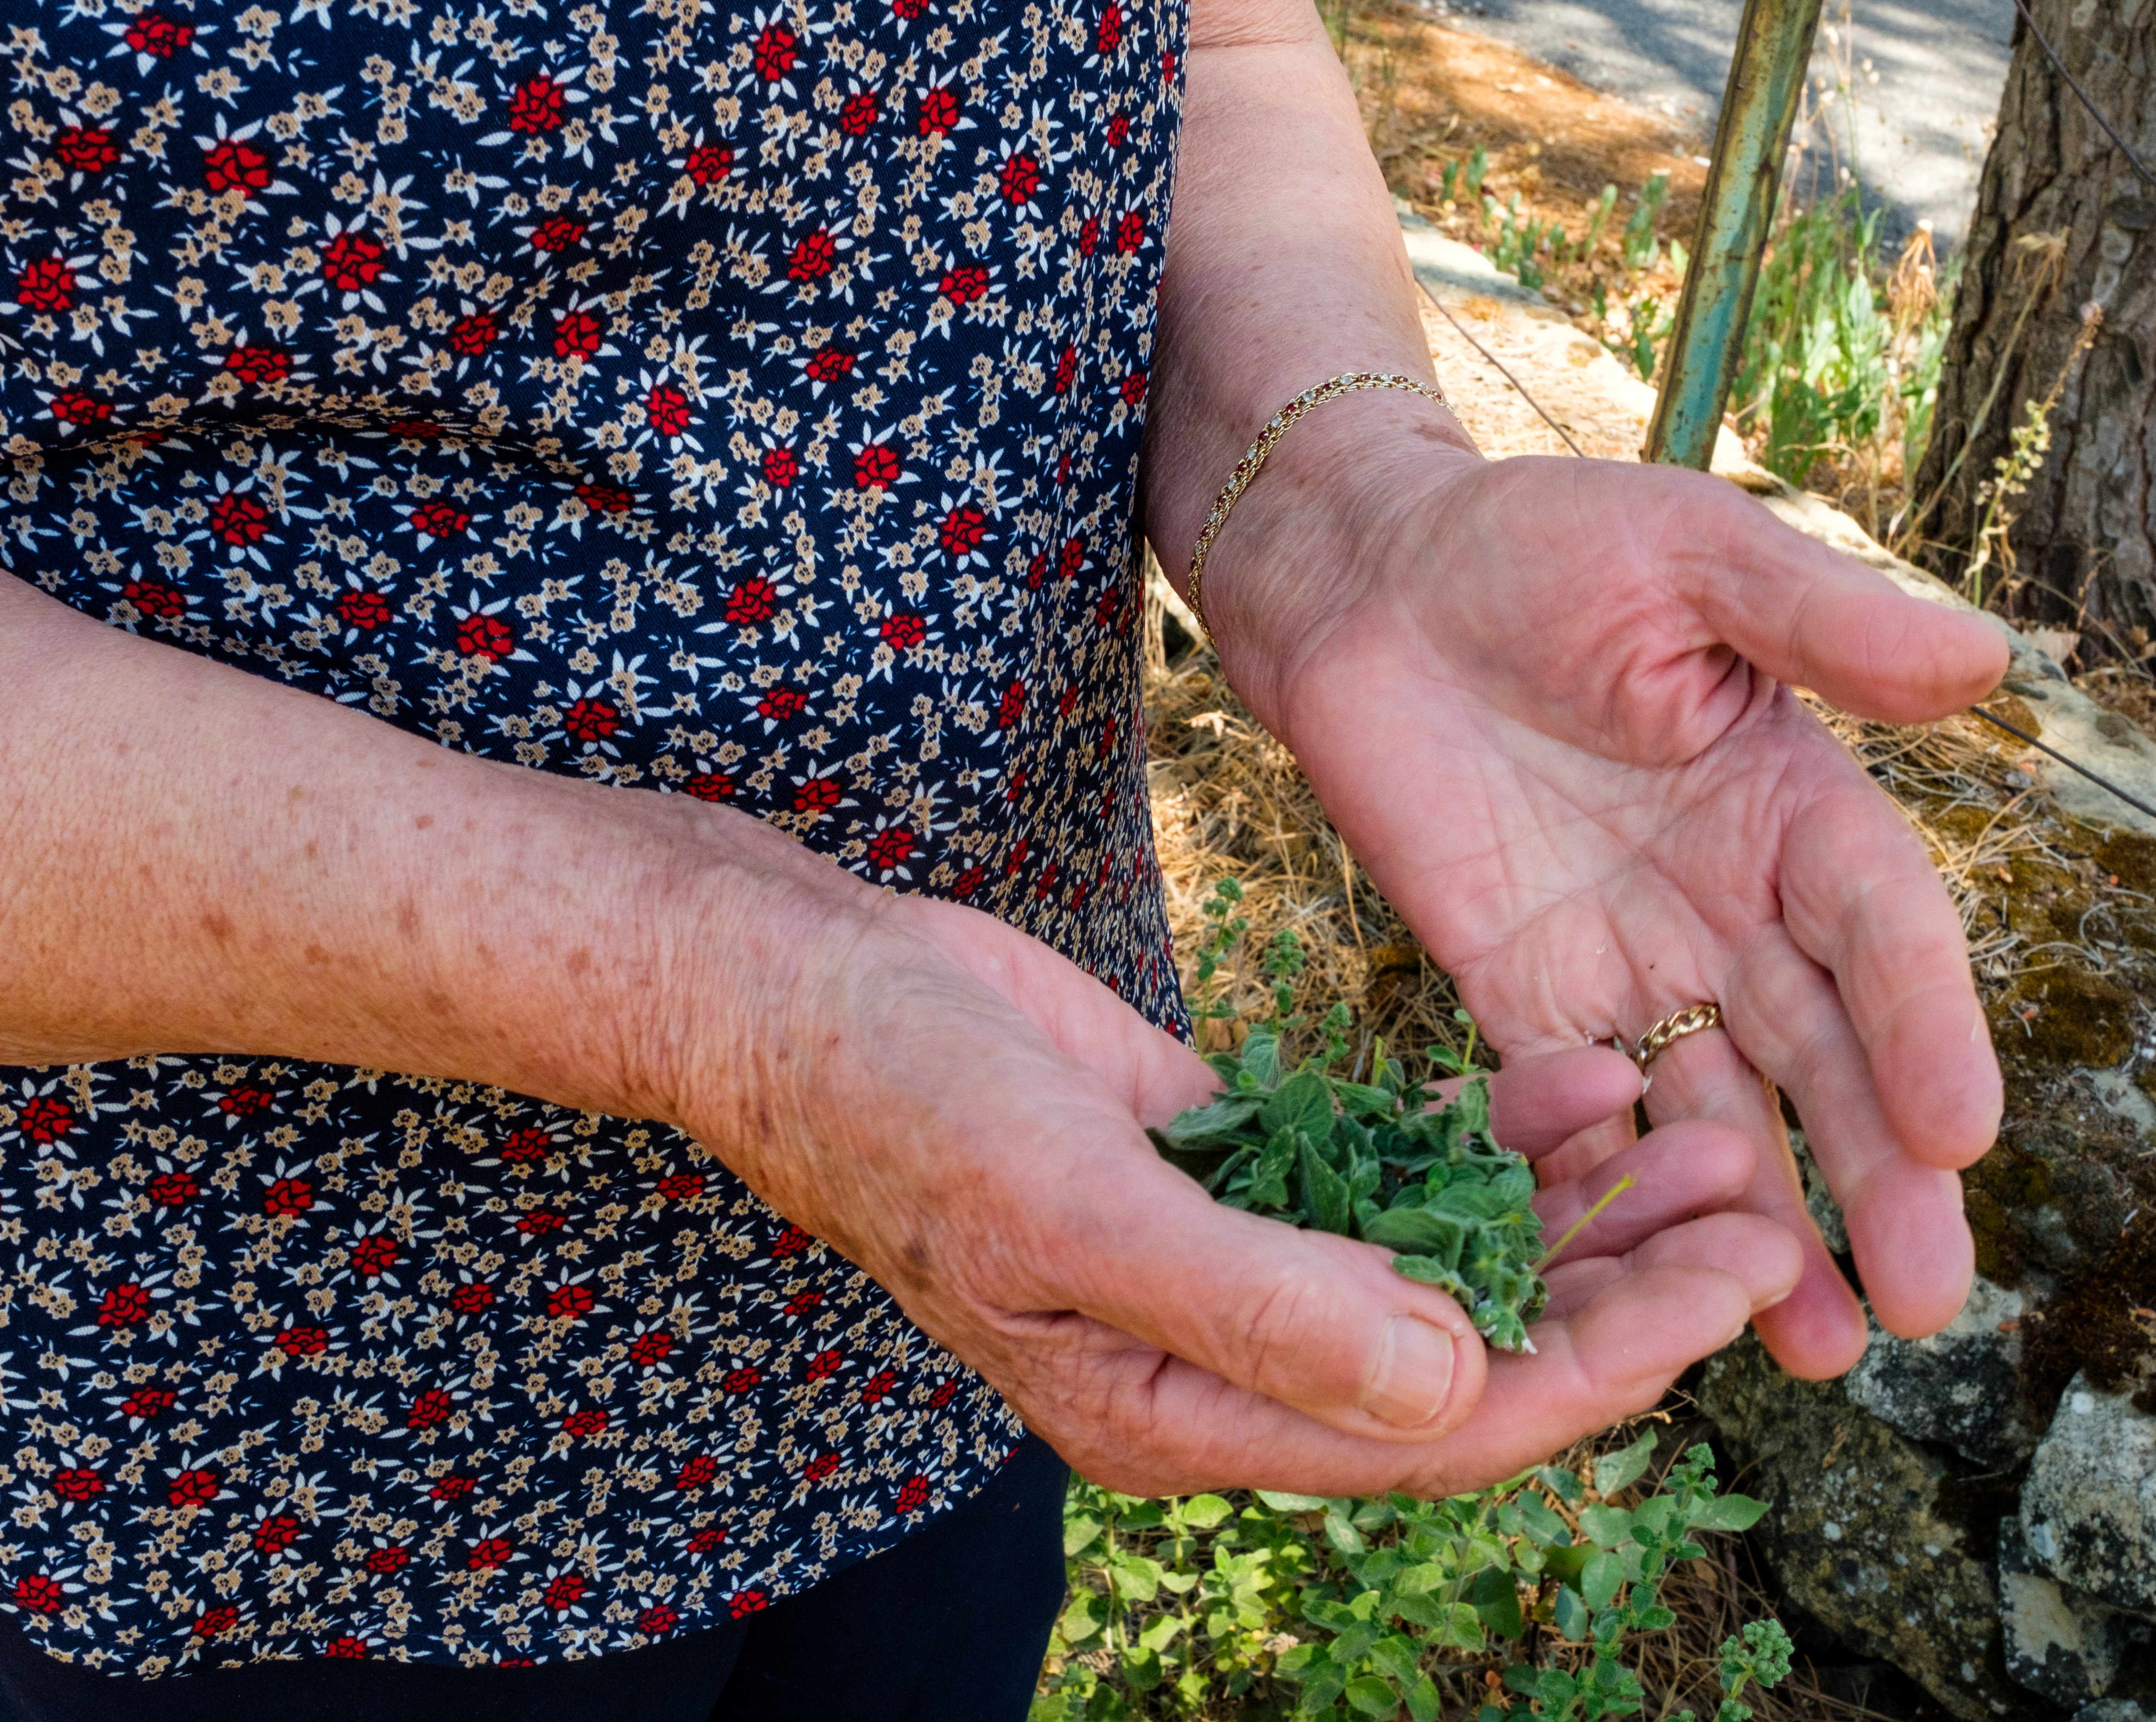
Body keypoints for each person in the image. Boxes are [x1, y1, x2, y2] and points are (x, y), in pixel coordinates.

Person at [0, 0, 2005, 1710]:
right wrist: (711, 987)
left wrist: (1340, 510)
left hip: (970, 1276)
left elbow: (1197, 33)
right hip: (243, 1428)